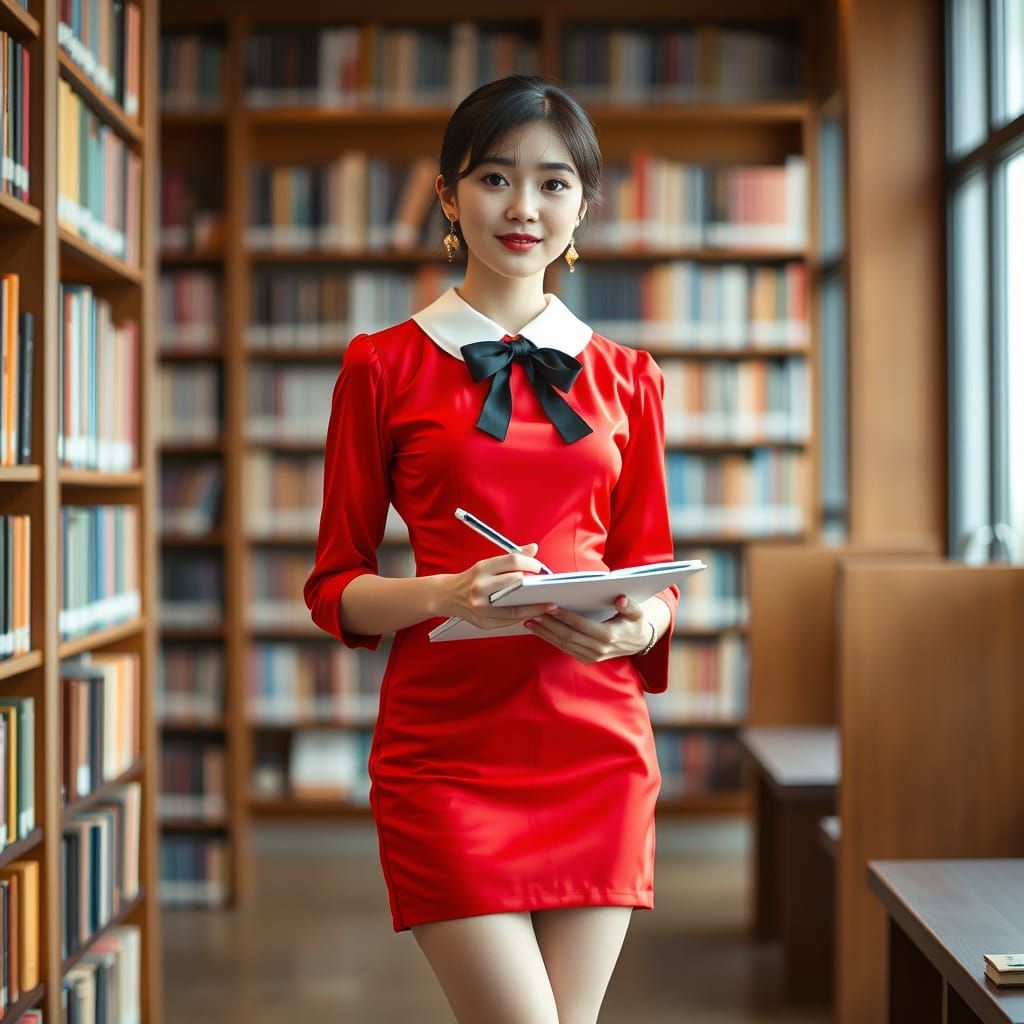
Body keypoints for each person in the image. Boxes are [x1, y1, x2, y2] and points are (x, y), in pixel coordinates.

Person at [304, 74, 679, 1024]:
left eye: (555, 184)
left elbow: (654, 565)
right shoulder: (380, 365)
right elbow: (335, 587)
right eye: (495, 178)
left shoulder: (630, 378)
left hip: (598, 748)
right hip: (447, 758)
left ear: (583, 207)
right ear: (447, 196)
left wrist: (637, 629)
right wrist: (447, 595)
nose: (524, 208)